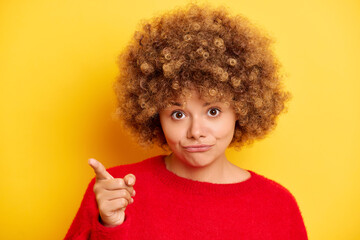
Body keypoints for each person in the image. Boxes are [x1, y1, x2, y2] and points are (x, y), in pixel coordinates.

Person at [65, 3, 308, 239]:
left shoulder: (278, 206)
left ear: (241, 108)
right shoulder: (114, 191)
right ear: (153, 114)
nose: (196, 131)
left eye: (213, 111)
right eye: (178, 114)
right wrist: (110, 227)